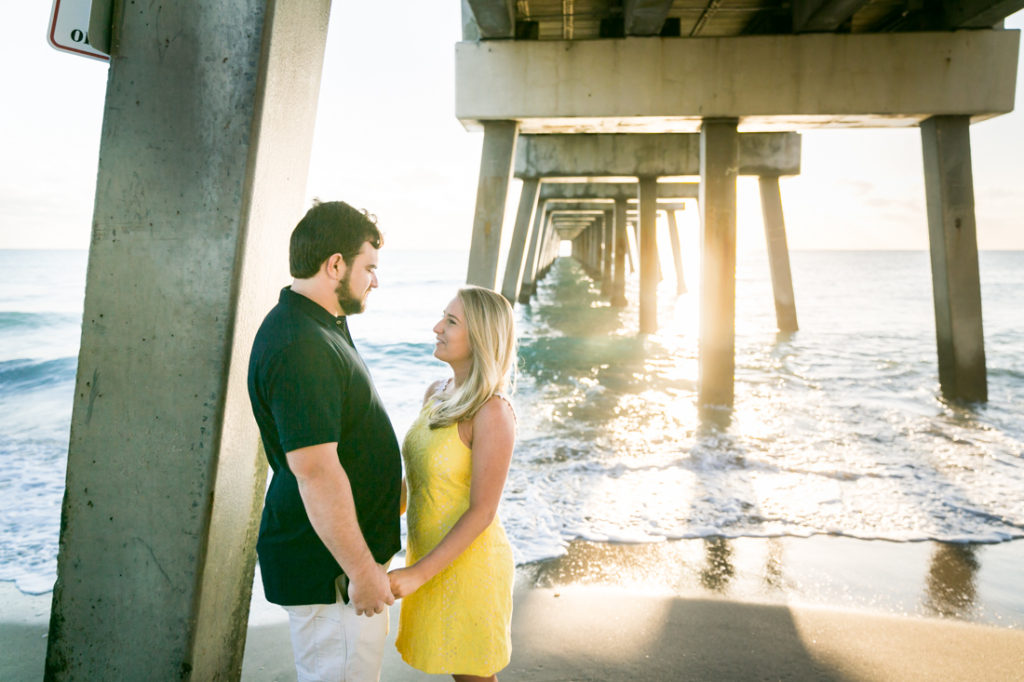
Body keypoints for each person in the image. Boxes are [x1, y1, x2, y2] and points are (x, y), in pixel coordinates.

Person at [247, 200, 402, 682]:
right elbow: (315, 470)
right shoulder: (301, 345)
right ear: (335, 264)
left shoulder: (320, 325)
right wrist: (361, 571)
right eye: (368, 267)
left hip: (335, 565)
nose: (374, 280)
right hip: (330, 571)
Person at [389, 286, 518, 682]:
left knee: (472, 678)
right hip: (428, 556)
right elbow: (415, 481)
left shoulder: (493, 412)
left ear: (479, 336)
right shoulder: (436, 393)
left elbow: (483, 512)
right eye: (442, 317)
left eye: (451, 321)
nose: (436, 328)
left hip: (469, 564)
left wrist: (417, 574)